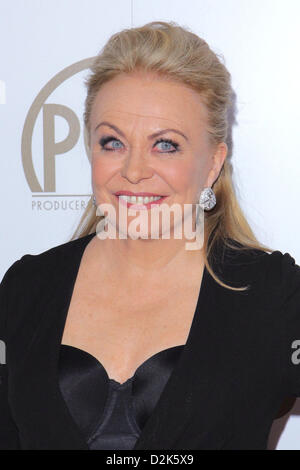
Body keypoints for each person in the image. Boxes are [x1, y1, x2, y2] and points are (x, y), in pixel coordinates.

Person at [1, 20, 300, 451]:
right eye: (113, 142)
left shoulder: (269, 295)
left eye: (166, 145)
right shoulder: (26, 288)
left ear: (213, 163)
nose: (134, 171)